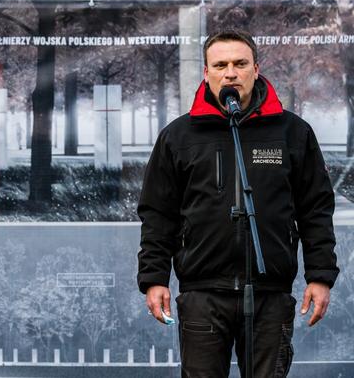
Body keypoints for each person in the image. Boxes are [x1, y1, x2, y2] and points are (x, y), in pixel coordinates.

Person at [137, 30, 338, 377]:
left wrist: (320, 276)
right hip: (203, 294)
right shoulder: (179, 136)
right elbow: (158, 215)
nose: (230, 72)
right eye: (221, 64)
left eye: (240, 63)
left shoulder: (292, 132)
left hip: (269, 294)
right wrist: (154, 278)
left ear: (256, 69)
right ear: (207, 72)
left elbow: (315, 209)